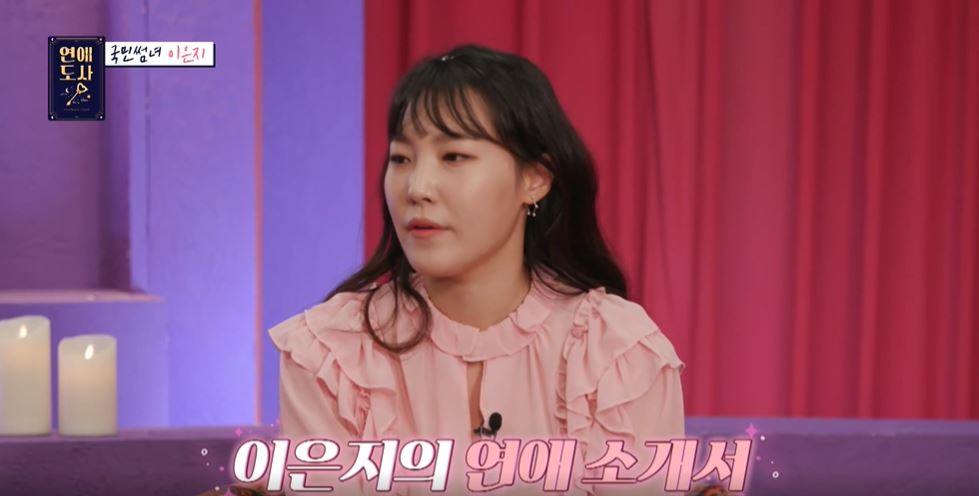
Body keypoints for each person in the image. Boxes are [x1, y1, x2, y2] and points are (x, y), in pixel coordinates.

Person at [269, 44, 686, 495]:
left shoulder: (617, 353)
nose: (417, 188)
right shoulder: (331, 355)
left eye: (453, 157)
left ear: (535, 179)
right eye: (401, 159)